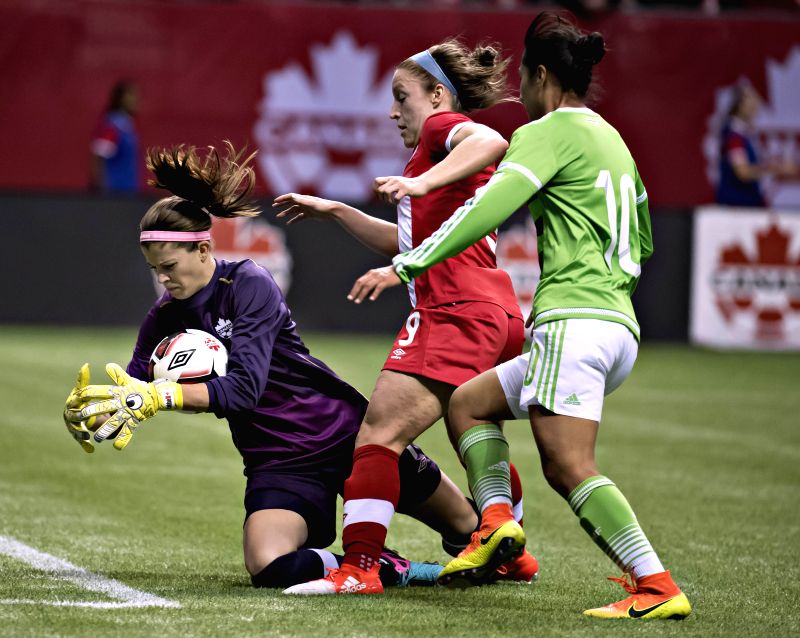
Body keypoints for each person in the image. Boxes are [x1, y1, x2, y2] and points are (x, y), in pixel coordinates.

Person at [346, 12, 692, 619]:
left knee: (569, 469)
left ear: (539, 76)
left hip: (571, 321)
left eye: (525, 86)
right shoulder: (612, 138)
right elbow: (642, 236)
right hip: (615, 324)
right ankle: (497, 523)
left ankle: (656, 583)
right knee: (470, 403)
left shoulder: (544, 132)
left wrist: (407, 259)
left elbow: (485, 211)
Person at [62, 142, 484, 591]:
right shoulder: (163, 316)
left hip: (343, 435)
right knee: (268, 566)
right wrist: (96, 413)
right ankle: (389, 566)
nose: (163, 279)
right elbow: (134, 385)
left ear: (204, 249)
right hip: (277, 460)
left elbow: (243, 389)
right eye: (154, 269)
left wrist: (157, 396)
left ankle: (495, 534)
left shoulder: (247, 284)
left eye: (169, 266)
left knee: (468, 532)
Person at [275, 39, 538, 596]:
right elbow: (407, 240)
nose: (393, 112)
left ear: (438, 96)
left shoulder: (443, 131)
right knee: (478, 428)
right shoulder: (436, 158)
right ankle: (507, 548)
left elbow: (492, 139)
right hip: (497, 312)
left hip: (455, 310)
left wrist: (420, 181)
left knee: (378, 435)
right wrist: (338, 210)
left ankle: (360, 569)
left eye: (402, 97)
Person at [715, 81, 796, 207]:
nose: (756, 104)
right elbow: (743, 172)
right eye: (751, 100)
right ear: (740, 105)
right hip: (736, 206)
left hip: (746, 203)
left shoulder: (745, 135)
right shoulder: (735, 137)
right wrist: (776, 168)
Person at [90, 80, 141, 193]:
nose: (135, 99)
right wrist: (101, 188)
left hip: (129, 189)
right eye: (131, 95)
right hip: (113, 191)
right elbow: (98, 158)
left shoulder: (128, 125)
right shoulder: (111, 125)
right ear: (121, 98)